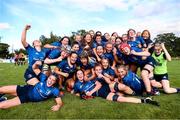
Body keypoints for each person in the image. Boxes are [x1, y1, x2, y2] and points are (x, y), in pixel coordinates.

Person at [73, 68, 159, 106]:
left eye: (81, 73)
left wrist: (90, 92)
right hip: (101, 94)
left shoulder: (89, 80)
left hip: (104, 87)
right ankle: (145, 100)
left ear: (83, 74)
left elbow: (99, 84)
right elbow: (76, 93)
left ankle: (139, 93)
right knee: (121, 99)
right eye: (78, 74)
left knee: (123, 87)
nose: (80, 75)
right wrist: (84, 94)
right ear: (76, 76)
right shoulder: (76, 85)